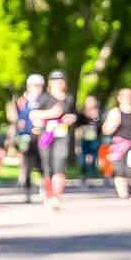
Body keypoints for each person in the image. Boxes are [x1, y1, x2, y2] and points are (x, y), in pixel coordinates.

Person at [11, 74, 51, 203]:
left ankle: (44, 189)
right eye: (34, 85)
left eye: (39, 86)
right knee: (27, 165)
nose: (36, 88)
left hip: (42, 136)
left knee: (43, 165)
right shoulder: (23, 101)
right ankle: (27, 192)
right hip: (27, 137)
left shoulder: (46, 100)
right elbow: (19, 119)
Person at [42, 71, 79, 211]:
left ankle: (57, 197)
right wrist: (51, 114)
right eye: (55, 80)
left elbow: (76, 115)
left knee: (59, 164)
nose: (59, 83)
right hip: (46, 136)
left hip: (62, 135)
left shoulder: (69, 98)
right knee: (47, 167)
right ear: (50, 82)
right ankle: (49, 195)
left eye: (61, 80)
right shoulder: (44, 98)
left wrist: (71, 119)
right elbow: (33, 114)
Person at [103, 87, 131, 199]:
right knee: (119, 169)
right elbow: (106, 130)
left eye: (130, 95)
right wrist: (114, 124)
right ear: (119, 98)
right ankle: (123, 194)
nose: (127, 98)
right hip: (119, 145)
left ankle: (130, 186)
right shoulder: (115, 112)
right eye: (124, 95)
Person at [75, 94, 103, 190]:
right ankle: (84, 175)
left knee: (92, 158)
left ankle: (92, 177)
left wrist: (96, 117)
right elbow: (77, 124)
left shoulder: (98, 112)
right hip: (84, 139)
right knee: (83, 158)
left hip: (94, 139)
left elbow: (100, 126)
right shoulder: (81, 113)